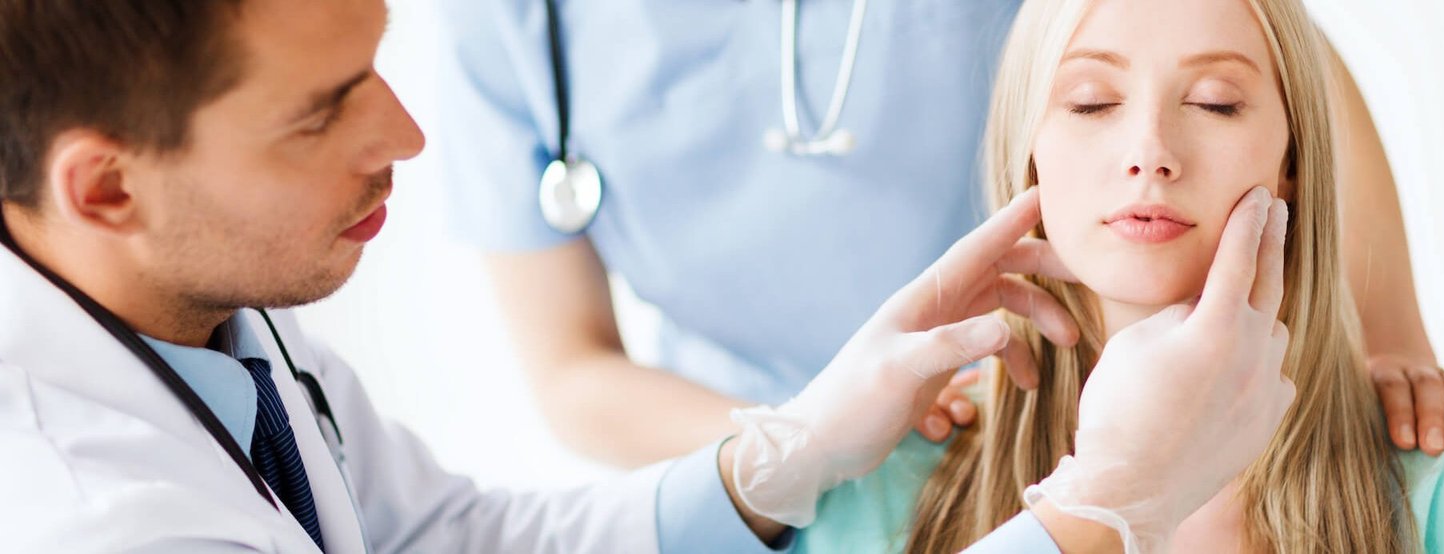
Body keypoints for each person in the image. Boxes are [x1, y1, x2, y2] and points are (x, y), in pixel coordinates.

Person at [0, 0, 1295, 551]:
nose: (406, 134)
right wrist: (1106, 505)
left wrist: (775, 456)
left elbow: (446, 540)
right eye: (322, 109)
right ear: (105, 186)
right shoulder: (96, 511)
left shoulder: (196, 324)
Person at [439, 0, 1444, 468]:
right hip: (753, 449)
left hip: (1058, 421)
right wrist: (818, 434)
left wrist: (1383, 333)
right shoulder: (514, 18)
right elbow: (571, 371)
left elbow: (1254, 45)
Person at [793, 0, 1444, 552]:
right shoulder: (889, 489)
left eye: (1215, 103)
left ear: (1293, 163)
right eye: (1092, 103)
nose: (1150, 149)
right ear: (1030, 155)